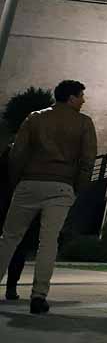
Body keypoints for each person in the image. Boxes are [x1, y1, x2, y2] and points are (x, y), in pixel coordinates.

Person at [0, 80, 96, 314]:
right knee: (48, 242)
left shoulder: (35, 118)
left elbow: (18, 153)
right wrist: (78, 187)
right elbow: (87, 160)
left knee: (9, 237)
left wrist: (17, 181)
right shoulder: (83, 123)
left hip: (30, 181)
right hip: (61, 186)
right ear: (71, 98)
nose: (83, 100)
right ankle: (39, 295)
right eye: (81, 95)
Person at [0, 128, 39, 302]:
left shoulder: (10, 153)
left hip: (8, 202)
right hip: (23, 204)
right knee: (18, 248)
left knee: (9, 244)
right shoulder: (34, 158)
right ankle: (11, 287)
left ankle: (11, 287)